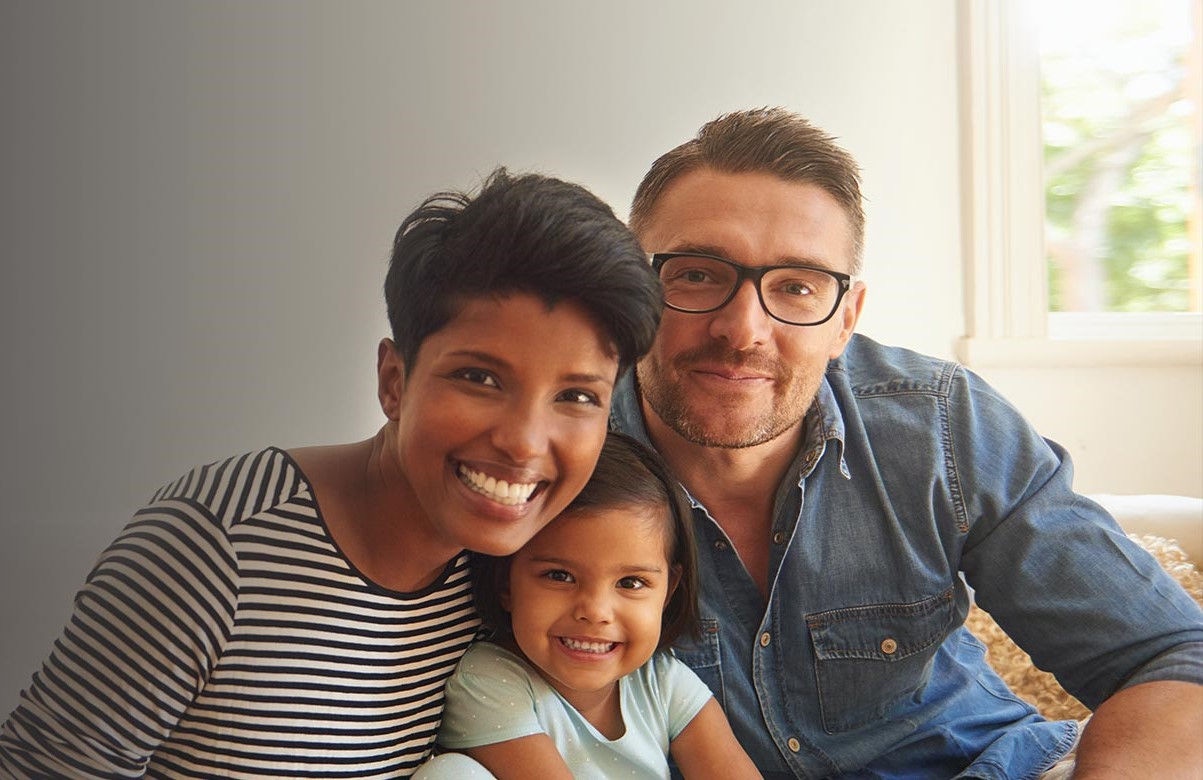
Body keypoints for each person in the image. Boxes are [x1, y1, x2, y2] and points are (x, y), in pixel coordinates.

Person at [0, 168, 663, 779]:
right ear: (394, 381)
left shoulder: (528, 574)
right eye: (479, 377)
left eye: (576, 397)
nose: (523, 444)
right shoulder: (216, 544)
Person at [610, 107, 1203, 779]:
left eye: (797, 286)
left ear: (845, 319)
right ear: (632, 288)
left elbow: (1170, 654)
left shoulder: (942, 426)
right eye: (696, 274)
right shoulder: (560, 456)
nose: (742, 330)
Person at [414, 431, 759, 779]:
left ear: (668, 593)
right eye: (559, 576)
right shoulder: (489, 681)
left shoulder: (663, 683)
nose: (594, 611)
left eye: (630, 583)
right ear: (506, 583)